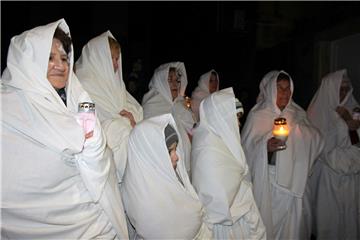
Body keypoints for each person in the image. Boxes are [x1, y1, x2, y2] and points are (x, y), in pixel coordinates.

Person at [1, 19, 129, 239]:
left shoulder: (78, 97)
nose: (60, 65)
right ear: (27, 61)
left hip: (97, 220)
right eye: (49, 58)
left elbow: (96, 145)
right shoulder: (8, 108)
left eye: (64, 58)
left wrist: (93, 143)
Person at [241, 70, 324, 239]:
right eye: (280, 88)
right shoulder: (258, 115)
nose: (285, 93)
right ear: (271, 89)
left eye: (288, 88)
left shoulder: (297, 113)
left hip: (295, 180)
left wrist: (298, 134)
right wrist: (265, 147)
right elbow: (246, 150)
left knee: (293, 229)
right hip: (270, 182)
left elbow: (317, 140)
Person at [121, 113, 211, 239]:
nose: (176, 157)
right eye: (169, 152)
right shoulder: (142, 195)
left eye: (175, 149)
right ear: (152, 155)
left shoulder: (161, 174)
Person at [191, 87, 266, 239]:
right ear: (220, 118)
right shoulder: (208, 149)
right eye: (235, 118)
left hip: (240, 220)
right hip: (222, 227)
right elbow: (218, 199)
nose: (238, 124)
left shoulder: (225, 141)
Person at [75, 31, 143, 183]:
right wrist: (122, 124)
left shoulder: (116, 84)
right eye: (110, 58)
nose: (115, 64)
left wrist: (131, 121)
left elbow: (136, 111)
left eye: (117, 58)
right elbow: (85, 125)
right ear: (98, 57)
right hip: (99, 152)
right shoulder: (83, 83)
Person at [307, 69, 360, 240]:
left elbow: (356, 139)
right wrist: (343, 124)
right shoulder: (319, 111)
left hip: (352, 173)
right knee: (330, 219)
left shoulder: (352, 107)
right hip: (328, 175)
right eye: (340, 88)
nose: (343, 92)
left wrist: (353, 125)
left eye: (346, 88)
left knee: (349, 218)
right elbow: (320, 145)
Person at [142, 62, 195, 175]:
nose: (175, 84)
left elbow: (193, 130)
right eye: (170, 80)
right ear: (161, 82)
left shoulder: (181, 105)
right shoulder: (152, 104)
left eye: (177, 80)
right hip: (163, 166)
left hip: (186, 164)